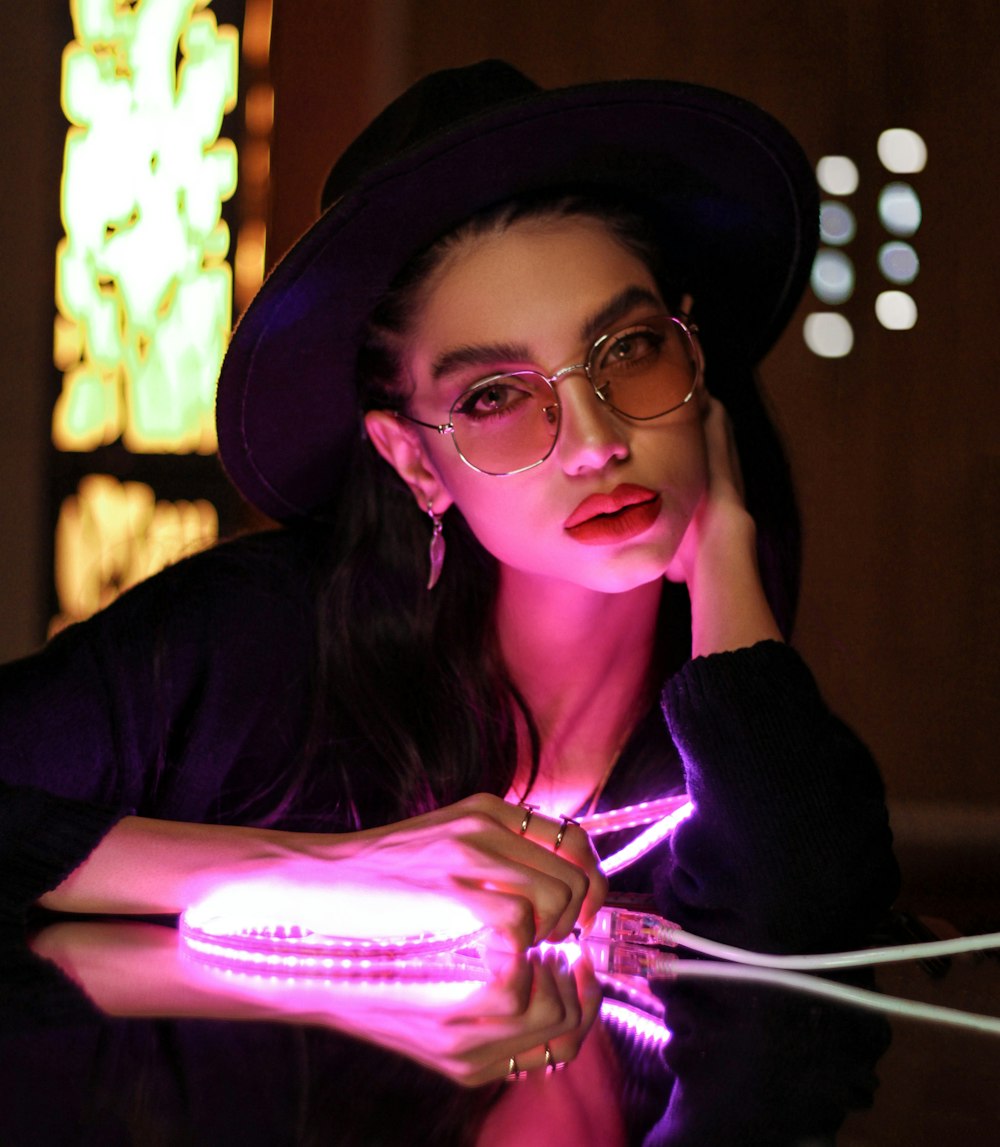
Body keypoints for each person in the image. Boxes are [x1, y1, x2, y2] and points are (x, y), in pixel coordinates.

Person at [0, 61, 898, 1089]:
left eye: (630, 349)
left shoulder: (727, 714)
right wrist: (326, 877)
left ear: (696, 363)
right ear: (412, 459)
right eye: (494, 395)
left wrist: (727, 559)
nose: (595, 439)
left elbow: (810, 961)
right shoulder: (251, 642)